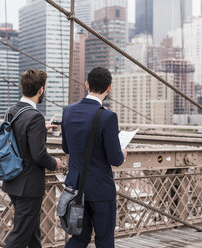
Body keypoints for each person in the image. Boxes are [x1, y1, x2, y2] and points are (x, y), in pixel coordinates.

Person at [61, 67, 127, 248]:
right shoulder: (108, 117)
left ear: (87, 84)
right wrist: (122, 153)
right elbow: (115, 159)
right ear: (109, 88)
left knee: (79, 238)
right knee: (104, 240)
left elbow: (66, 147)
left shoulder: (68, 111)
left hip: (75, 187)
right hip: (100, 190)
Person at [2, 69, 62, 248]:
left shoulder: (12, 111)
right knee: (19, 236)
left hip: (13, 180)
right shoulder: (35, 117)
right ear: (41, 90)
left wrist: (41, 129)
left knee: (32, 231)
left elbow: (20, 137)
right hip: (29, 186)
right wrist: (55, 163)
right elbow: (38, 154)